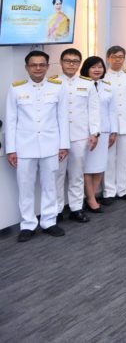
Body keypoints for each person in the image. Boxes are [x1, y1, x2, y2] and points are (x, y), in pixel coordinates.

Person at [6, 50, 69, 242]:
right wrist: (11, 149)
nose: (38, 68)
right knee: (25, 187)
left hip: (51, 145)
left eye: (42, 64)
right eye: (34, 65)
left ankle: (49, 221)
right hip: (24, 146)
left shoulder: (58, 87)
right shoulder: (16, 89)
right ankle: (28, 224)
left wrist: (63, 145)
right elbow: (11, 120)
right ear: (27, 67)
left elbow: (63, 117)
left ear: (47, 67)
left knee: (50, 186)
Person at [59, 49, 99, 220]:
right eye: (67, 60)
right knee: (58, 175)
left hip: (80, 135)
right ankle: (56, 210)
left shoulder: (87, 83)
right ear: (61, 62)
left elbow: (94, 109)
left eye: (75, 61)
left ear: (79, 64)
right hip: (58, 137)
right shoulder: (53, 82)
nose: (71, 64)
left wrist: (94, 132)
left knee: (77, 174)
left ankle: (76, 208)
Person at [102, 46, 126, 202]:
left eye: (120, 57)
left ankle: (122, 189)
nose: (118, 60)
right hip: (109, 125)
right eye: (114, 57)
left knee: (124, 158)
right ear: (108, 58)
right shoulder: (102, 77)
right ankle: (109, 191)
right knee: (109, 159)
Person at [81, 56, 115, 212]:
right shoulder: (81, 85)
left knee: (100, 165)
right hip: (86, 132)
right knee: (87, 167)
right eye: (93, 67)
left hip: (105, 130)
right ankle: (91, 198)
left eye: (100, 67)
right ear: (86, 69)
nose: (97, 70)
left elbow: (112, 110)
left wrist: (114, 131)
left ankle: (91, 195)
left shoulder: (107, 86)